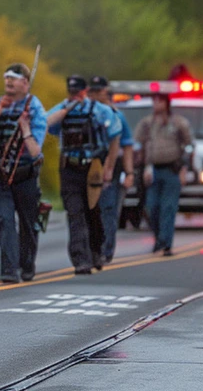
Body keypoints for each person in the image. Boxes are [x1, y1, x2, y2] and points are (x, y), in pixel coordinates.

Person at [0, 62, 48, 283]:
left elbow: (36, 151)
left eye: (13, 78)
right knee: (3, 220)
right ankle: (9, 269)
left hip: (25, 175)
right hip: (1, 175)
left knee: (28, 224)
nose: (8, 82)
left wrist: (26, 129)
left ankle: (26, 265)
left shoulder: (35, 108)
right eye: (6, 78)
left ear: (25, 83)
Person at [46, 75, 119, 274]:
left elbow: (115, 132)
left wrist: (109, 168)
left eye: (78, 92)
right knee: (75, 213)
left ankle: (96, 251)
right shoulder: (62, 109)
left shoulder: (98, 110)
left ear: (85, 91)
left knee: (93, 213)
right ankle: (80, 259)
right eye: (71, 92)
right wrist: (67, 108)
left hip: (93, 167)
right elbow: (45, 124)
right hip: (69, 168)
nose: (75, 95)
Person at [133, 93, 194, 256]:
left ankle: (165, 243)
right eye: (154, 101)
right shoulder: (147, 123)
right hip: (153, 170)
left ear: (166, 104)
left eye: (159, 101)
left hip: (172, 170)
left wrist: (184, 169)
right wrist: (143, 166)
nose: (156, 104)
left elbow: (189, 146)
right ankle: (158, 238)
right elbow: (138, 144)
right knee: (152, 206)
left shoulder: (178, 123)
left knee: (168, 207)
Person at [90, 76, 134, 266]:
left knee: (108, 210)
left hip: (111, 168)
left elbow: (127, 146)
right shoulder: (87, 113)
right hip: (90, 166)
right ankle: (91, 249)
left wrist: (129, 172)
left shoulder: (117, 115)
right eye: (93, 91)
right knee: (91, 210)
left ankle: (105, 251)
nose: (96, 94)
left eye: (99, 91)